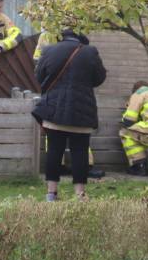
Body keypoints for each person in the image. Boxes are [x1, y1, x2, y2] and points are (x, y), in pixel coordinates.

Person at [32, 29, 106, 201]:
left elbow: (39, 76)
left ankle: (51, 193)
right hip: (82, 111)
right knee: (80, 152)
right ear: (81, 38)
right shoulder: (90, 52)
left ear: (61, 37)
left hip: (54, 109)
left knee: (54, 151)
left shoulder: (49, 50)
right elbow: (100, 78)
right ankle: (80, 194)